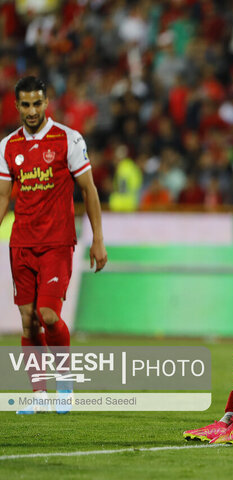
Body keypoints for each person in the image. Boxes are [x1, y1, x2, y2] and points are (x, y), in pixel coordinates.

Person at [0, 76, 107, 414]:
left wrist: (98, 240)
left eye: (37, 103)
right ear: (17, 106)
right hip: (21, 243)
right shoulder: (7, 146)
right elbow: (3, 196)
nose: (32, 110)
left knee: (48, 315)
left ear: (47, 103)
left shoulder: (68, 139)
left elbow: (89, 190)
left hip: (58, 242)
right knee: (29, 319)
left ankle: (64, 382)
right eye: (26, 104)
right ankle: (38, 395)